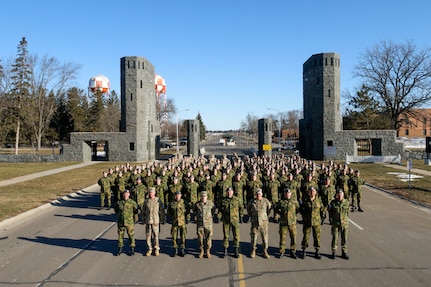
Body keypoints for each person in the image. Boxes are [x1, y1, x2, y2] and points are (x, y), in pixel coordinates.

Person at [274, 188, 300, 258]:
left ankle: (293, 251)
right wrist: (280, 214)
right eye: (286, 193)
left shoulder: (294, 201)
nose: (287, 194)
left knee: (293, 237)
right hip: (283, 222)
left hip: (292, 223)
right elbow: (276, 208)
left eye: (288, 193)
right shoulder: (281, 202)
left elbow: (298, 209)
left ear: (291, 194)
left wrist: (293, 215)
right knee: (282, 237)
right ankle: (282, 251)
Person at [246, 188, 272, 258]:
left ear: (262, 194)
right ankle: (253, 251)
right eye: (257, 194)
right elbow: (248, 209)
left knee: (265, 238)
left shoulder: (265, 201)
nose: (258, 195)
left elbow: (269, 209)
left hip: (264, 223)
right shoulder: (252, 202)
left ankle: (265, 251)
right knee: (254, 238)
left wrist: (266, 217)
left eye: (259, 194)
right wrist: (251, 216)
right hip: (255, 223)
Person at [299, 187, 323, 259]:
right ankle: (304, 250)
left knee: (317, 237)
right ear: (308, 193)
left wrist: (320, 218)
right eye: (310, 191)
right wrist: (304, 216)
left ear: (315, 192)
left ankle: (317, 251)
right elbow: (301, 209)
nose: (312, 193)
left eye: (313, 191)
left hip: (316, 222)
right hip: (307, 221)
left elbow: (322, 210)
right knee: (306, 236)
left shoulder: (318, 200)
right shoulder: (305, 200)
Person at [114, 189, 138, 256]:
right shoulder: (119, 202)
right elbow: (116, 210)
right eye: (124, 194)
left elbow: (135, 211)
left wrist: (135, 219)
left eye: (127, 194)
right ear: (123, 195)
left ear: (129, 195)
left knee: (131, 235)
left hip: (129, 222)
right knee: (120, 235)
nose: (125, 195)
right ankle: (120, 248)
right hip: (121, 222)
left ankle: (132, 248)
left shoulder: (132, 203)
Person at [142, 187, 165, 256]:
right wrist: (143, 219)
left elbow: (162, 211)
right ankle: (149, 249)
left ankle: (156, 249)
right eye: (150, 193)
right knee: (148, 236)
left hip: (156, 221)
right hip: (148, 221)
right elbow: (143, 211)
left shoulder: (158, 201)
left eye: (152, 192)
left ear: (154, 193)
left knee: (156, 236)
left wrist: (162, 219)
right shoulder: (146, 201)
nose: (151, 194)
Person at [220, 187, 242, 258]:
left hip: (235, 220)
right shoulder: (223, 200)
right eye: (228, 191)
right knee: (226, 236)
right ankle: (225, 250)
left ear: (233, 192)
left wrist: (240, 216)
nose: (229, 193)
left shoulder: (236, 199)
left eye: (231, 191)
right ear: (226, 192)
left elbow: (241, 207)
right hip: (226, 220)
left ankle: (236, 250)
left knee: (236, 235)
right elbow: (220, 208)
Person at [193, 191, 216, 258]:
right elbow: (194, 210)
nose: (203, 198)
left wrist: (210, 217)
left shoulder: (210, 204)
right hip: (200, 224)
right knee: (200, 238)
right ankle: (202, 250)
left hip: (208, 224)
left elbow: (213, 210)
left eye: (205, 197)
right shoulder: (197, 204)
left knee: (208, 238)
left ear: (207, 197)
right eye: (202, 197)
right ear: (200, 197)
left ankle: (208, 250)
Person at [167, 190, 190, 257]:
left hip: (182, 222)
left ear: (181, 195)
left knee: (183, 236)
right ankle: (175, 249)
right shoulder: (172, 203)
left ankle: (182, 249)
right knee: (174, 236)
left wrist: (186, 218)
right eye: (176, 195)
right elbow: (169, 212)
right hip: (174, 222)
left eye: (179, 195)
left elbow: (187, 211)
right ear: (175, 196)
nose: (177, 196)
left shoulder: (184, 203)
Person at [329, 190, 350, 259]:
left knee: (344, 238)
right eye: (339, 194)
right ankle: (333, 252)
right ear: (336, 195)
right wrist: (332, 220)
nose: (340, 195)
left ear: (343, 195)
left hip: (344, 224)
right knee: (335, 238)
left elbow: (348, 213)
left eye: (341, 194)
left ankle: (344, 252)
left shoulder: (346, 202)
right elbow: (330, 212)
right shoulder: (333, 202)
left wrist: (345, 220)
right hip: (336, 223)